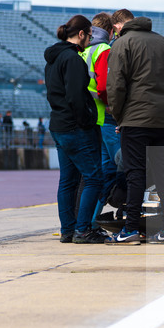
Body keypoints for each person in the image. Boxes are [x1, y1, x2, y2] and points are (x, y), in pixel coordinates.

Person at [106, 15, 164, 245]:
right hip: (163, 121)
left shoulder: (122, 43)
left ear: (118, 26)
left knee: (135, 174)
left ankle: (130, 229)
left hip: (135, 120)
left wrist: (119, 116)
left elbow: (116, 84)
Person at [44, 14, 107, 244]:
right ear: (81, 34)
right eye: (89, 35)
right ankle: (83, 230)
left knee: (68, 181)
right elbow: (76, 97)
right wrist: (87, 121)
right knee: (94, 179)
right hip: (75, 127)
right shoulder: (73, 60)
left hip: (59, 125)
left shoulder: (53, 58)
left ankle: (68, 230)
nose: (90, 39)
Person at [81, 12, 120, 226]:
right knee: (120, 165)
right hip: (105, 114)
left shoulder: (84, 48)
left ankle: (87, 221)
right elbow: (104, 86)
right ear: (111, 31)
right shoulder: (104, 49)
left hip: (89, 116)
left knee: (99, 172)